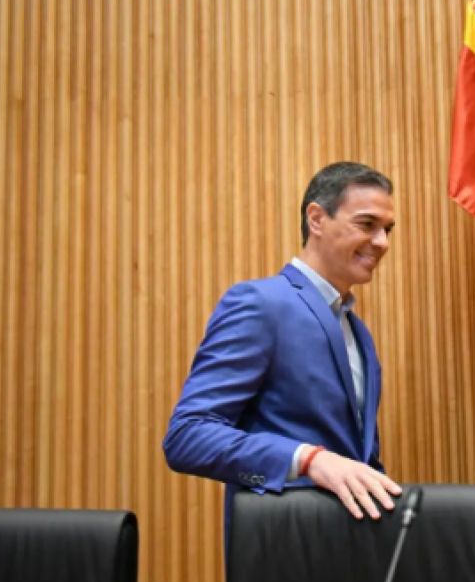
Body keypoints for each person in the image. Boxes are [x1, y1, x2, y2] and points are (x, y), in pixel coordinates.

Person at [163, 161, 402, 542]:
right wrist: (309, 459)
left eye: (388, 230)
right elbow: (188, 437)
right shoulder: (259, 303)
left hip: (353, 554)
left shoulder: (359, 333)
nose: (383, 243)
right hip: (281, 552)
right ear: (317, 219)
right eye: (367, 224)